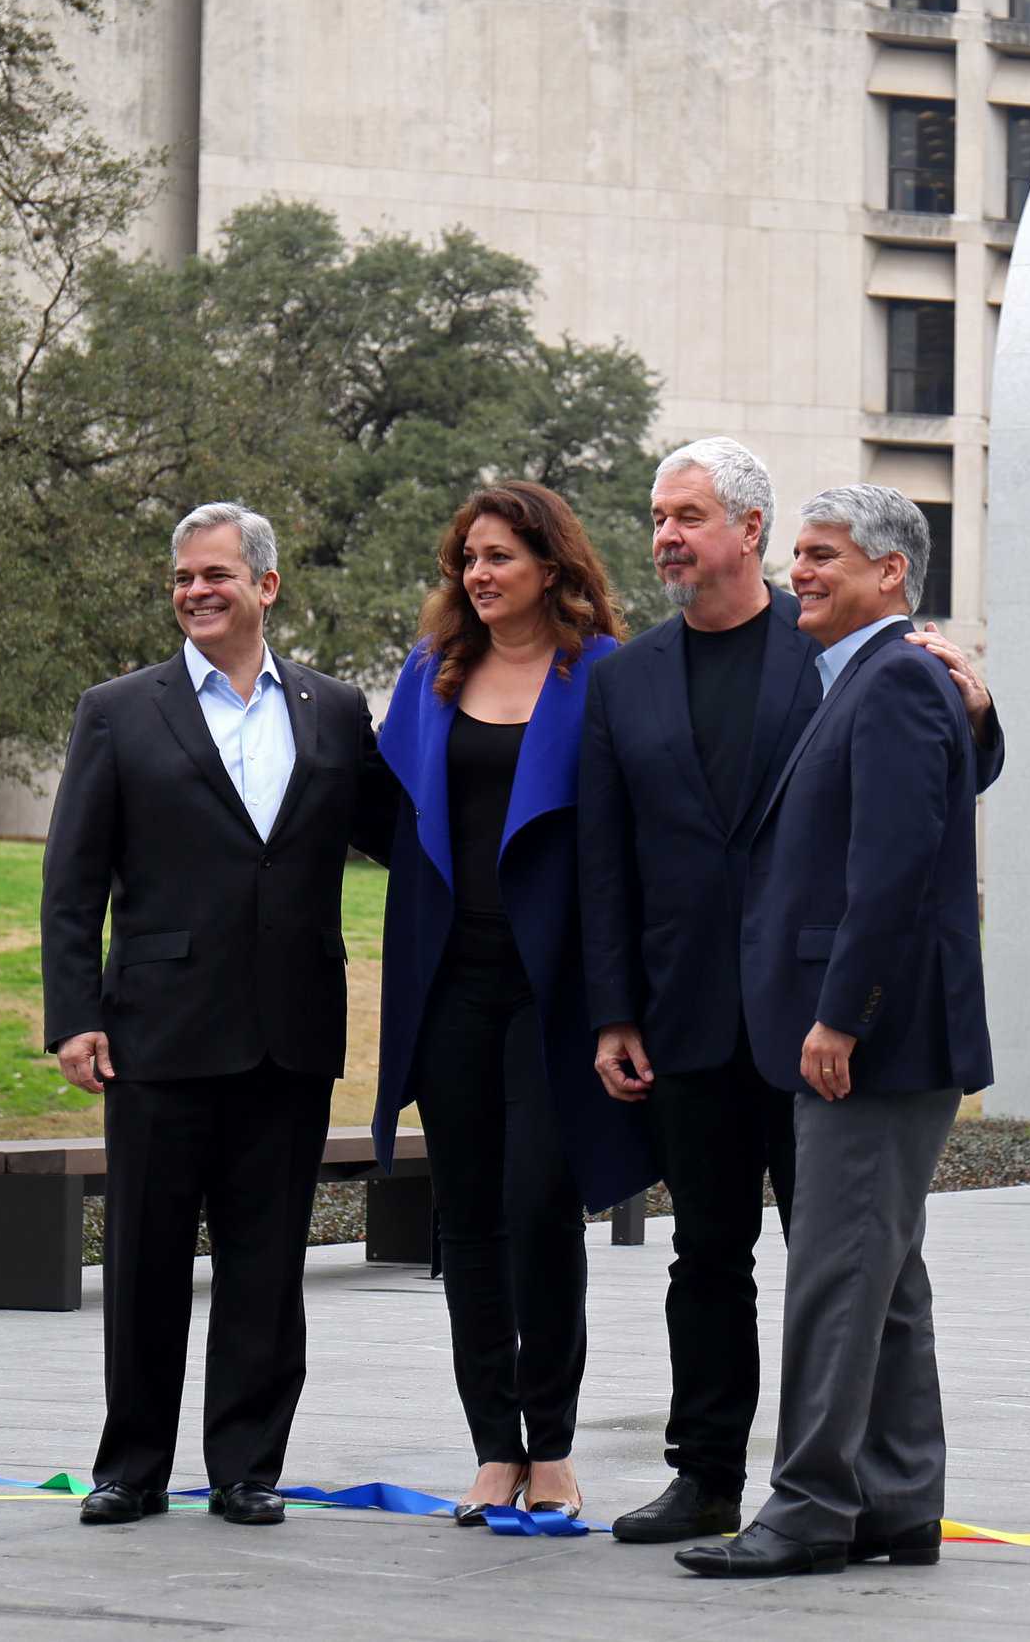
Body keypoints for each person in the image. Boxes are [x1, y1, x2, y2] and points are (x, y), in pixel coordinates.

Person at [581, 439, 1002, 1545]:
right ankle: (835, 1490)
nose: (665, 534)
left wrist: (840, 1009)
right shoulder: (636, 675)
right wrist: (615, 1005)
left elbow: (908, 823)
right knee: (806, 1263)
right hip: (695, 1015)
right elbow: (605, 854)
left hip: (828, 1022)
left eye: (688, 513)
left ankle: (815, 1499)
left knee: (838, 1264)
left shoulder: (866, 659)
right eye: (656, 514)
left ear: (749, 530)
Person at [40, 501, 388, 1528]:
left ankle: (248, 1465)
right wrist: (73, 1014)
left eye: (217, 575)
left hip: (290, 1031)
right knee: (146, 1258)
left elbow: (401, 832)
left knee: (267, 1262)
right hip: (155, 1028)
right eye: (183, 577)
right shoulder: (117, 709)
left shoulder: (332, 708)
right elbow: (73, 877)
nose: (196, 591)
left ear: (266, 587)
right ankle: (131, 1466)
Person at [371, 481, 651, 1525]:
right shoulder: (429, 674)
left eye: (499, 556)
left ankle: (554, 1442)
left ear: (552, 564)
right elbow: (386, 813)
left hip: (557, 987)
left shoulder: (603, 675)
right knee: (471, 1214)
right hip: (449, 980)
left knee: (540, 1204)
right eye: (467, 559)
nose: (479, 575)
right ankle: (493, 1446)